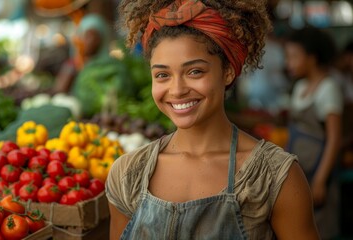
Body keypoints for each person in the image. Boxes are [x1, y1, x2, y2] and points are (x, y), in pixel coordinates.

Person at [105, 0, 319, 239]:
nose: (176, 90)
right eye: (162, 75)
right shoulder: (128, 174)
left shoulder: (275, 176)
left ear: (227, 71)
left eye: (195, 71)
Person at [284, 27, 343, 239]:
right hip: (300, 169)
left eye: (293, 57)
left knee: (320, 227)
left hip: (319, 170)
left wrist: (320, 180)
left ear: (311, 57)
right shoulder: (300, 87)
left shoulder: (329, 88)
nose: (288, 63)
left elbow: (334, 138)